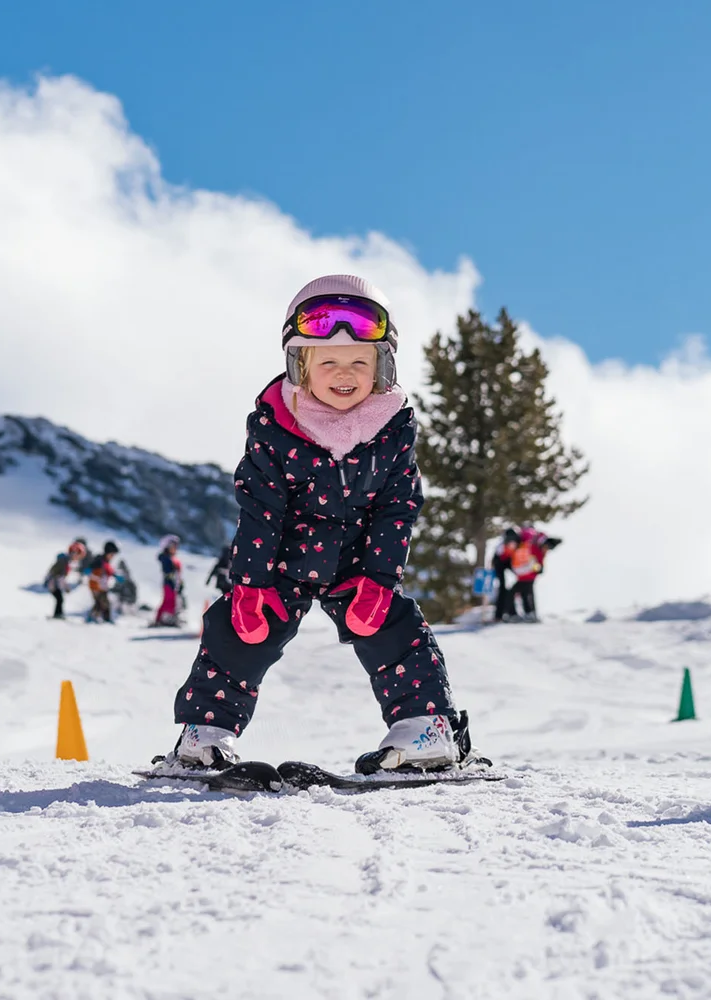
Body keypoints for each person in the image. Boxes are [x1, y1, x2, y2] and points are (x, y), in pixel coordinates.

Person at [160, 274, 479, 774]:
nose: (343, 372)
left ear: (382, 366)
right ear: (299, 367)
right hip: (285, 557)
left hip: (356, 560)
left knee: (394, 626)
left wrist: (379, 579)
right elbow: (260, 508)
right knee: (241, 632)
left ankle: (426, 729)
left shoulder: (392, 427)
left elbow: (398, 505)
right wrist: (250, 584)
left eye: (359, 361)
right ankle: (205, 733)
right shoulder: (276, 425)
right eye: (326, 361)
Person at [45, 538, 87, 619]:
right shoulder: (65, 561)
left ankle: (58, 614)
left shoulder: (67, 561)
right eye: (78, 555)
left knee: (60, 599)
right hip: (53, 583)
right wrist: (65, 586)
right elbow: (59, 576)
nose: (78, 559)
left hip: (55, 582)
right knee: (60, 599)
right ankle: (58, 615)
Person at [490, 527, 521, 622]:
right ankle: (499, 615)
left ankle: (511, 613)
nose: (513, 544)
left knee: (511, 590)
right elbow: (496, 562)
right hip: (499, 565)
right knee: (502, 590)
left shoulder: (517, 544)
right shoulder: (500, 546)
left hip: (508, 564)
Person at [85, 540, 120, 623]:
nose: (113, 556)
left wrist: (115, 576)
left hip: (102, 586)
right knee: (99, 602)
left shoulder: (106, 562)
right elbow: (90, 569)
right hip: (96, 585)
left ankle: (106, 619)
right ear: (107, 552)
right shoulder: (99, 560)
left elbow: (109, 571)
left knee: (105, 603)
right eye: (112, 554)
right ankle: (92, 618)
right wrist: (92, 574)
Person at [154, 535, 184, 626]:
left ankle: (167, 619)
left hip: (172, 583)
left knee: (172, 601)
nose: (175, 549)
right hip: (169, 583)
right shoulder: (166, 558)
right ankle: (162, 619)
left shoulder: (171, 558)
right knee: (168, 601)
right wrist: (173, 577)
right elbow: (168, 571)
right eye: (173, 546)